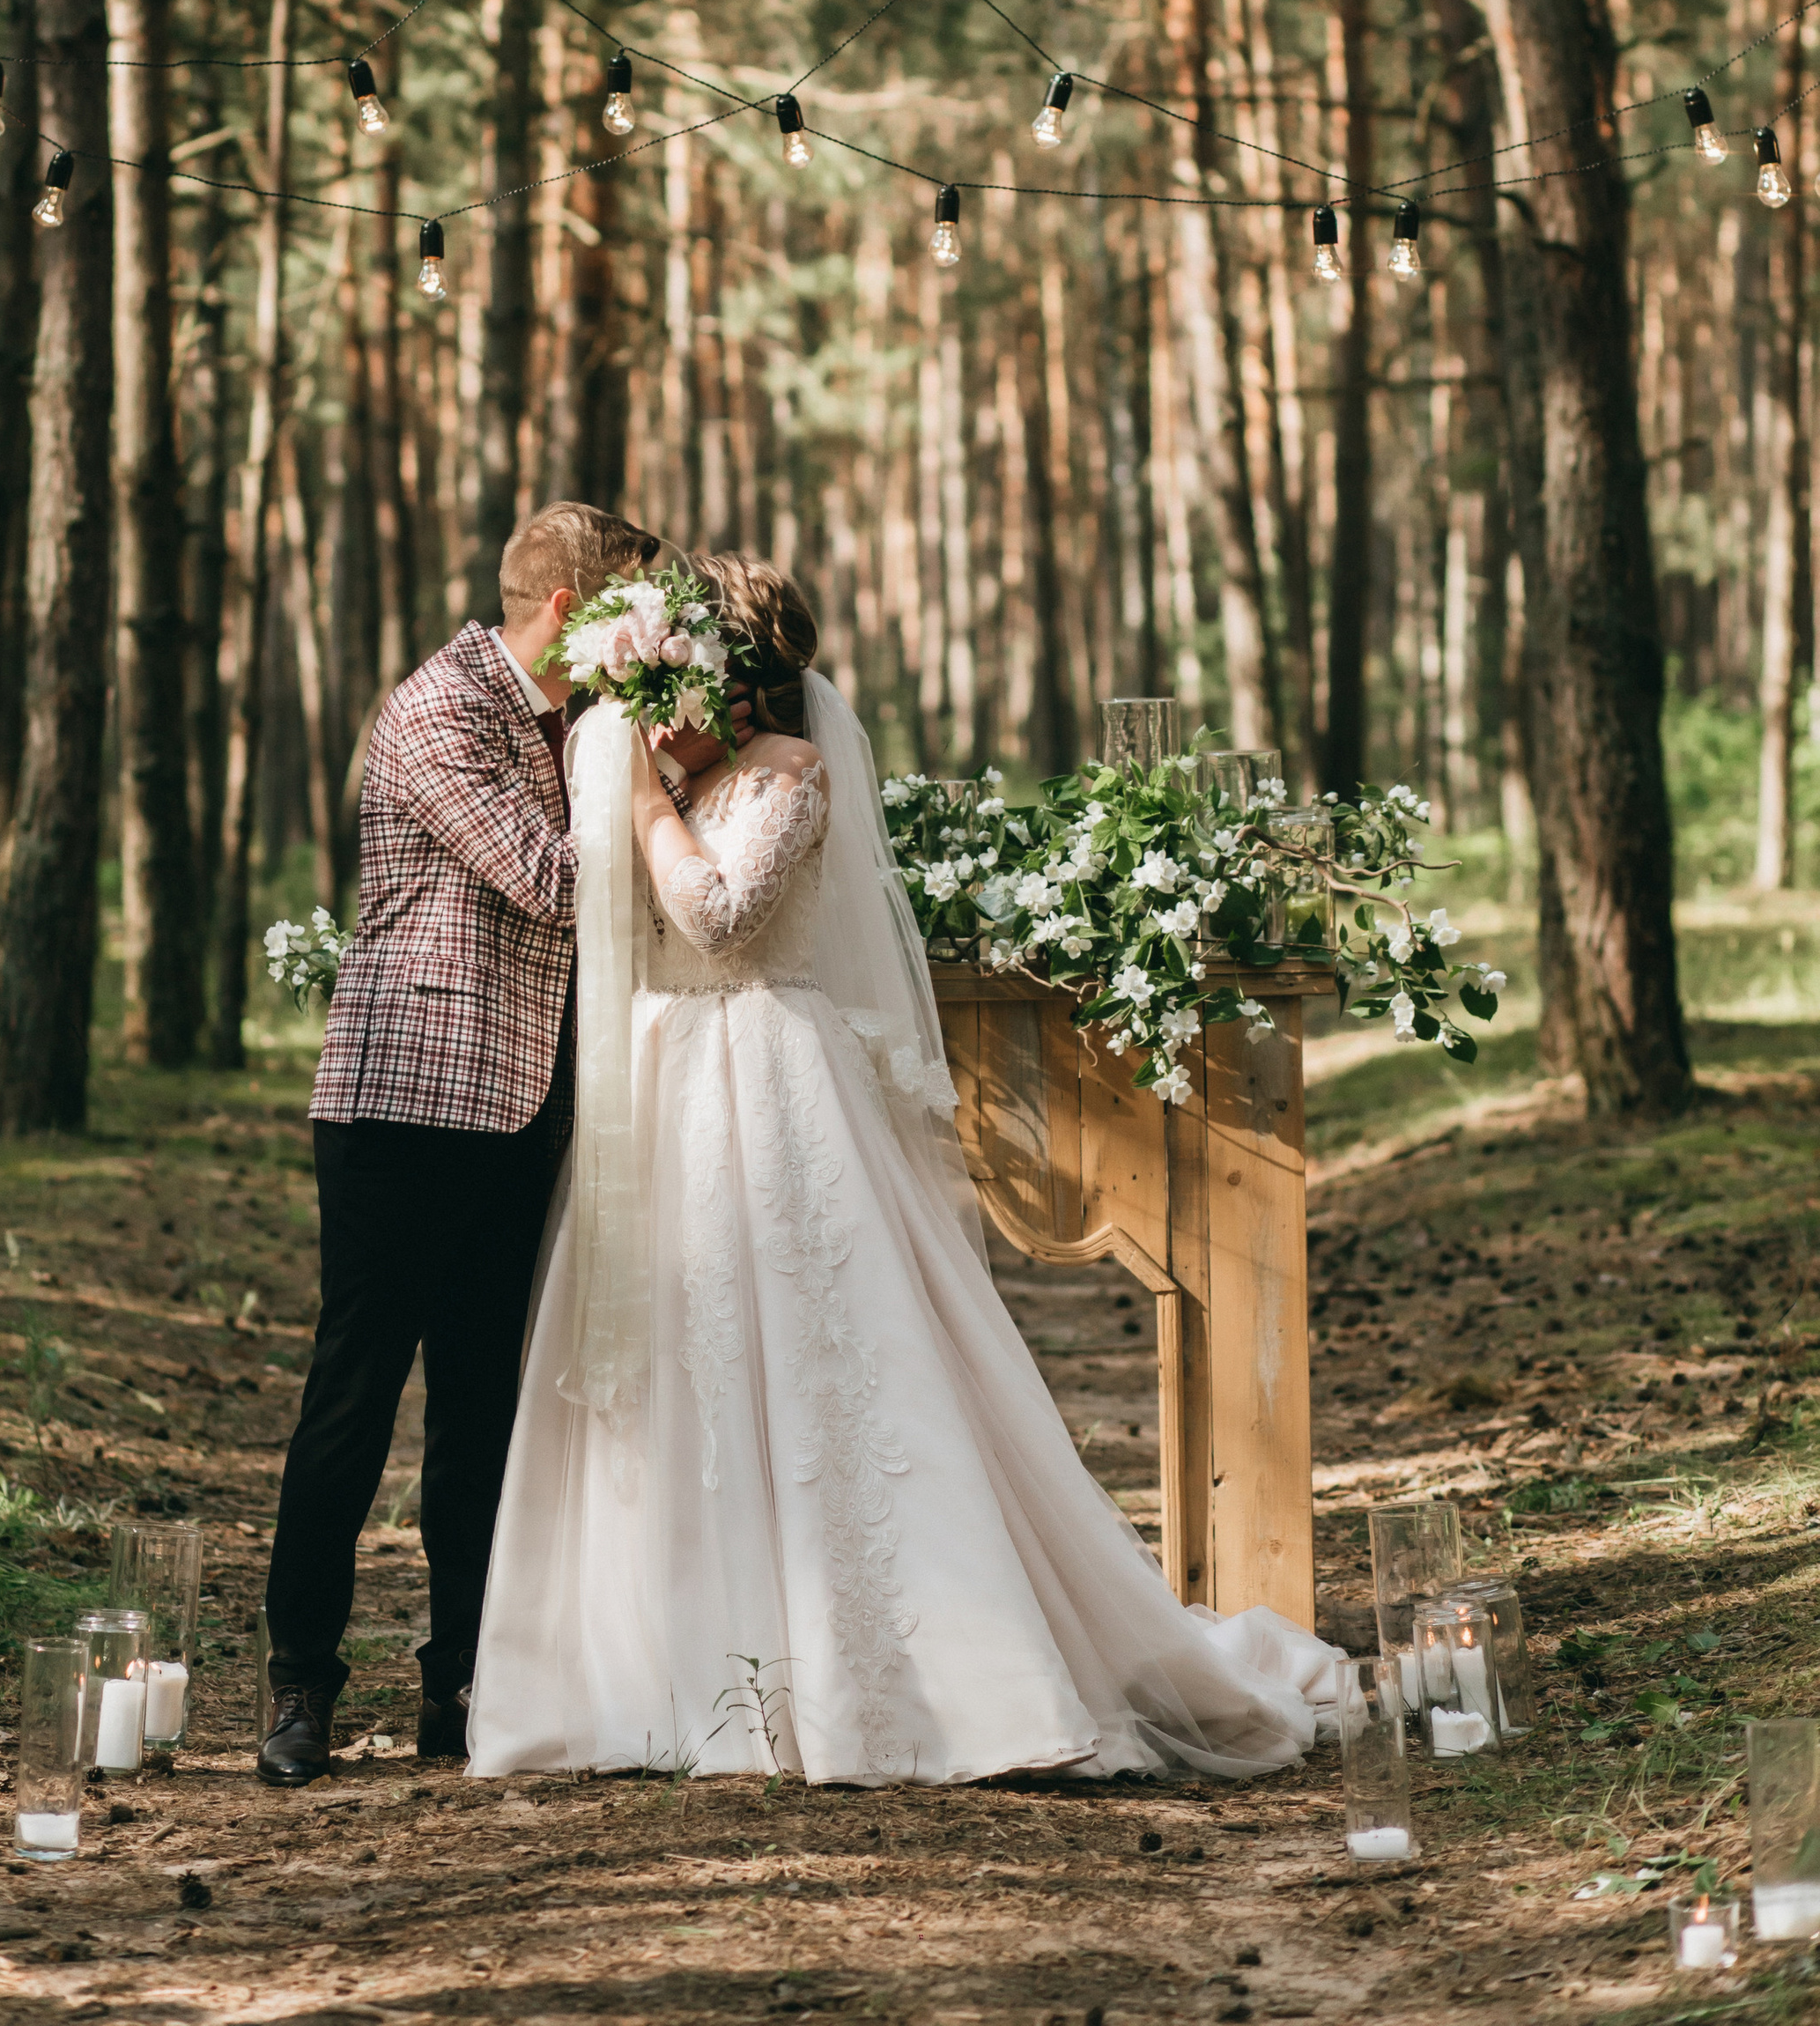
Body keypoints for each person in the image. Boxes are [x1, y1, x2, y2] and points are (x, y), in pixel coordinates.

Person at [467, 551, 1343, 1786]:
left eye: (669, 684)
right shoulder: (663, 768)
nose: (653, 714)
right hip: (658, 1098)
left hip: (765, 1081)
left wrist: (646, 808)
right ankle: (657, 1672)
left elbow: (723, 919)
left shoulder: (791, 773)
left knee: (824, 1367)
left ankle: (881, 1674)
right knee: (671, 1370)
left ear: (736, 688)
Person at [256, 499, 659, 1786]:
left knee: (483, 1416)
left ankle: (465, 1685)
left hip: (526, 1110)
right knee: (355, 1401)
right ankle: (300, 1685)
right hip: (401, 1107)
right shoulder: (440, 709)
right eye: (624, 614)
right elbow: (547, 878)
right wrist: (653, 782)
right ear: (565, 612)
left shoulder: (570, 719)